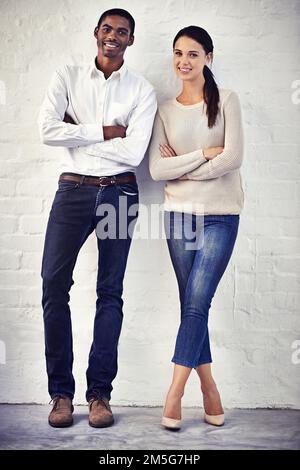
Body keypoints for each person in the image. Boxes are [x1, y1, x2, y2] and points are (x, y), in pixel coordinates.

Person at [38, 8, 157, 428]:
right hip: (72, 191)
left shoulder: (142, 90)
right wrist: (106, 130)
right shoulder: (66, 76)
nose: (113, 36)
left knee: (110, 291)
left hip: (119, 194)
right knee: (54, 284)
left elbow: (134, 153)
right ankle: (61, 395)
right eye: (108, 29)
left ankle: (100, 395)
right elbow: (48, 131)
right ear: (96, 33)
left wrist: (79, 130)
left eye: (122, 32)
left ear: (130, 40)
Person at [149, 26, 244, 430]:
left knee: (195, 303)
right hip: (180, 217)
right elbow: (156, 169)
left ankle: (173, 394)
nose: (183, 61)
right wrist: (204, 153)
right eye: (177, 53)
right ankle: (209, 388)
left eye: (192, 53)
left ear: (208, 56)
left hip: (222, 214)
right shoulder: (165, 110)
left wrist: (183, 168)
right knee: (194, 305)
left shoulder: (226, 100)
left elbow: (234, 158)